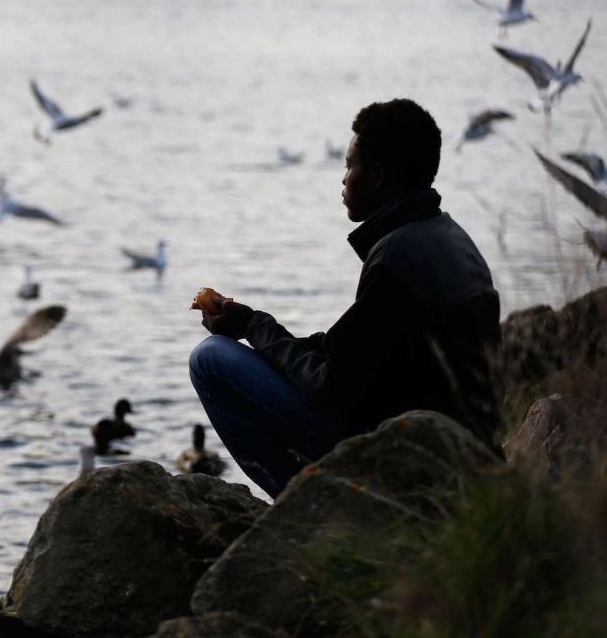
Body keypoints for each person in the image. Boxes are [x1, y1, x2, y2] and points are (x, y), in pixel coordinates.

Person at [189, 99, 501, 497]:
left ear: (378, 175)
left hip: (410, 465)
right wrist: (261, 335)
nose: (343, 179)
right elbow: (365, 354)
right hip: (462, 452)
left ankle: (305, 512)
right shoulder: (447, 237)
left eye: (350, 165)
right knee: (253, 357)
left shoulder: (396, 259)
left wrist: (253, 326)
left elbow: (333, 390)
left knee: (211, 360)